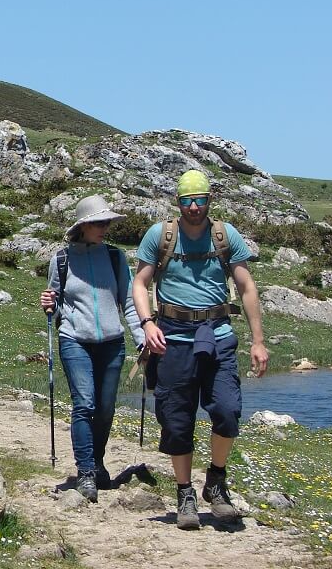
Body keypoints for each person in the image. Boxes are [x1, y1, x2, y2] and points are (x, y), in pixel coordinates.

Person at [132, 169, 268, 529]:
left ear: (210, 200)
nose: (194, 207)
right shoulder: (159, 236)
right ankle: (184, 494)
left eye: (200, 200)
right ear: (178, 202)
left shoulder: (226, 236)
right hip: (171, 337)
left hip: (218, 335)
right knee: (177, 421)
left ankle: (216, 481)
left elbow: (247, 287)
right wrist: (147, 325)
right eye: (187, 201)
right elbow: (141, 282)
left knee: (227, 410)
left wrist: (258, 341)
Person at [40, 194, 144, 503]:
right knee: (84, 404)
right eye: (98, 223)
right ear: (83, 226)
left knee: (106, 407)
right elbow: (55, 303)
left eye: (107, 222)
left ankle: (97, 463)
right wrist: (50, 305)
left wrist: (141, 338)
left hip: (112, 342)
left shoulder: (115, 257)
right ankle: (85, 471)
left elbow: (128, 301)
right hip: (74, 341)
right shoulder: (62, 259)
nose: (104, 227)